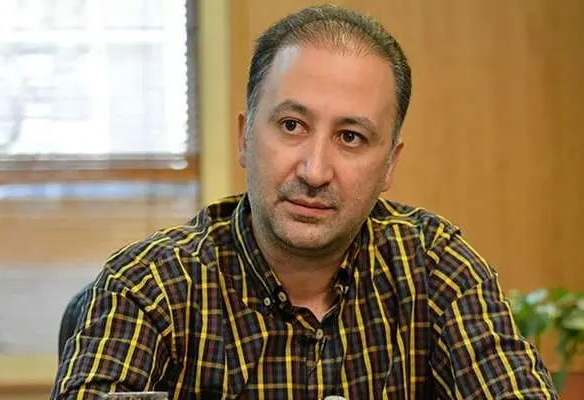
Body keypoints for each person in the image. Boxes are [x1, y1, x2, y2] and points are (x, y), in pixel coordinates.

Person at [52, 4, 558, 399]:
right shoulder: (148, 288)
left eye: (351, 137)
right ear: (244, 138)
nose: (315, 171)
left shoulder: (435, 268)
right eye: (292, 125)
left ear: (389, 164)